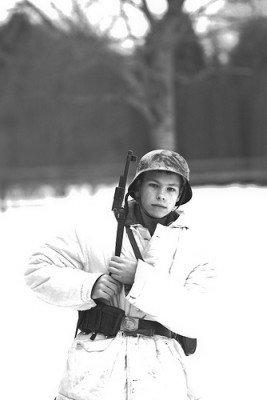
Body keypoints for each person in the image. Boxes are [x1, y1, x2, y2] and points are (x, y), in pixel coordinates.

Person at [25, 149, 214, 400]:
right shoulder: (96, 230)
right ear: (137, 188)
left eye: (171, 189)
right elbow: (38, 270)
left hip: (162, 377)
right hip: (96, 375)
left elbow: (196, 316)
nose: (161, 195)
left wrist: (140, 279)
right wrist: (88, 286)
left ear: (180, 195)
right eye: (153, 185)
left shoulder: (195, 247)